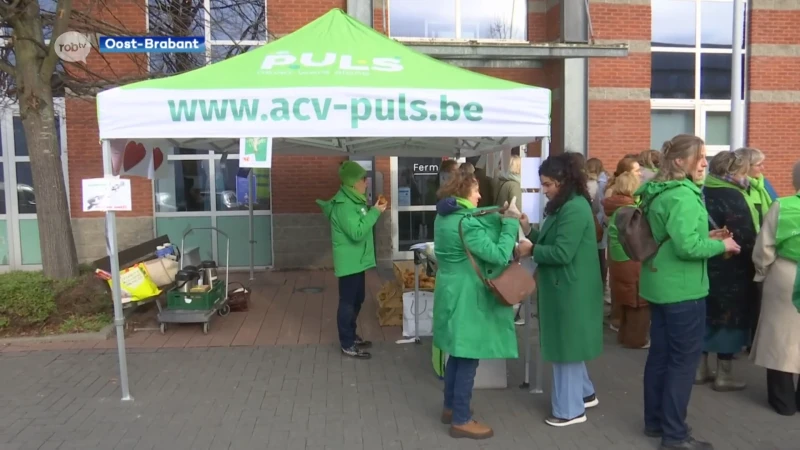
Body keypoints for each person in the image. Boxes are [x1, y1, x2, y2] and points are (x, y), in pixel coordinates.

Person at [636, 134, 740, 450]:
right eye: (700, 156)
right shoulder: (682, 195)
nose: (705, 163)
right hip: (683, 290)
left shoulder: (657, 191)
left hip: (659, 284)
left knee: (660, 357)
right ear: (680, 161)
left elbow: (672, 235)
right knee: (682, 362)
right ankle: (675, 435)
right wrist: (720, 244)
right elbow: (687, 247)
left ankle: (655, 423)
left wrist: (704, 234)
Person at [432, 167, 524, 439]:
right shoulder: (466, 223)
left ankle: (450, 408)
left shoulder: (444, 216)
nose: (480, 195)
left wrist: (499, 210)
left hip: (450, 289)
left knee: (456, 354)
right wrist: (509, 222)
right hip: (467, 294)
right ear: (463, 192)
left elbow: (477, 218)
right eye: (476, 191)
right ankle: (461, 419)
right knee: (468, 357)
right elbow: (498, 254)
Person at [519, 153, 602, 427]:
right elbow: (548, 242)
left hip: (570, 286)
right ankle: (585, 393)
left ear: (563, 181)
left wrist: (532, 249)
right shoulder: (568, 205)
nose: (544, 190)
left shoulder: (573, 208)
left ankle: (570, 410)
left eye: (547, 184)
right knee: (569, 343)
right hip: (566, 285)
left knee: (565, 346)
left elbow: (562, 252)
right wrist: (527, 230)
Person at [698, 152, 759, 391]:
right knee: (729, 319)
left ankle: (699, 369)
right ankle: (724, 375)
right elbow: (745, 235)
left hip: (704, 262)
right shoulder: (733, 196)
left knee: (705, 315)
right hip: (732, 267)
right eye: (743, 172)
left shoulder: (701, 192)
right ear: (732, 173)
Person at [316, 161, 387, 359]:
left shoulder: (355, 200)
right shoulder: (344, 205)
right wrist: (376, 212)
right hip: (349, 262)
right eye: (363, 179)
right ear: (353, 182)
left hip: (357, 260)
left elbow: (361, 222)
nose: (366, 182)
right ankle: (347, 343)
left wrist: (373, 209)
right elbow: (357, 232)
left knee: (358, 299)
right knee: (348, 302)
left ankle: (351, 335)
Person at [750, 160, 800, 416]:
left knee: (782, 337)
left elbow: (764, 247)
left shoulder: (782, 206)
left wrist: (763, 271)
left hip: (786, 274)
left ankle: (783, 401)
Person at [602, 171, 650, 349]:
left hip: (618, 257)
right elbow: (636, 238)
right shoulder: (629, 209)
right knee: (638, 300)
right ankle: (636, 339)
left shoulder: (616, 207)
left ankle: (624, 335)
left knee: (624, 299)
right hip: (631, 258)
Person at [605, 155, 642, 330]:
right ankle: (628, 330)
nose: (640, 174)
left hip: (615, 250)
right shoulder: (628, 207)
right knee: (631, 293)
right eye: (637, 171)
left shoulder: (613, 199)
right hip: (627, 253)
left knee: (619, 287)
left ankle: (617, 321)